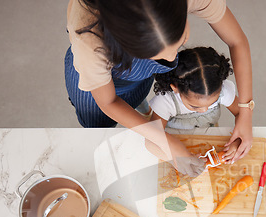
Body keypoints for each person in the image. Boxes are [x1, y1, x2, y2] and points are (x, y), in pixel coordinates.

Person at [64, 0, 254, 175]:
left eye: (179, 42)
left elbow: (236, 40)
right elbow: (108, 101)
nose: (172, 60)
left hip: (135, 75)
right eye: (156, 56)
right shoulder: (89, 42)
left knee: (138, 98)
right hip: (96, 91)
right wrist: (167, 142)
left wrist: (245, 112)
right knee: (99, 128)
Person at [148, 47, 242, 163]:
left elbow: (241, 113)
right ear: (176, 88)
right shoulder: (166, 101)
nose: (204, 110)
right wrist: (177, 159)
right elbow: (151, 141)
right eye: (195, 107)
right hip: (174, 143)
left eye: (213, 103)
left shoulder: (223, 90)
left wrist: (237, 141)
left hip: (209, 135)